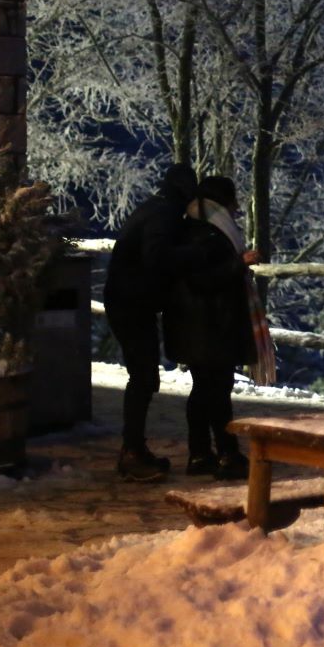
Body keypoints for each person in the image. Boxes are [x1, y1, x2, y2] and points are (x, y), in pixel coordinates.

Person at [103, 163, 205, 482]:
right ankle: (132, 453)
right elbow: (157, 257)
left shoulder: (156, 208)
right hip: (131, 303)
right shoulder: (165, 215)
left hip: (128, 300)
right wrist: (195, 253)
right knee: (143, 377)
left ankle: (134, 449)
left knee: (143, 376)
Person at [162, 176, 263, 481]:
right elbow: (203, 279)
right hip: (211, 326)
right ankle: (226, 454)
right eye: (232, 202)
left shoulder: (188, 228)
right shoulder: (210, 234)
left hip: (193, 326)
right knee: (217, 391)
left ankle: (201, 452)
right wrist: (239, 263)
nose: (235, 209)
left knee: (204, 390)